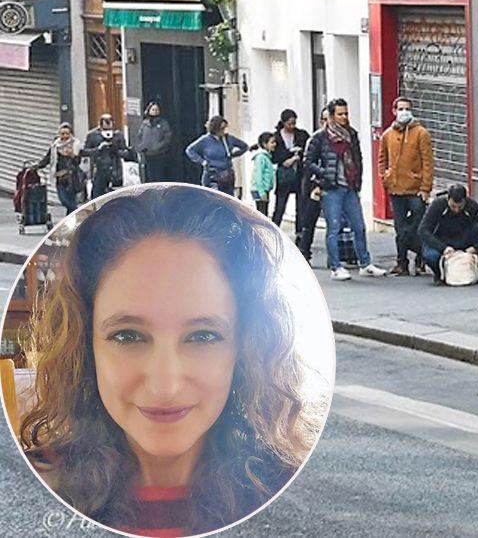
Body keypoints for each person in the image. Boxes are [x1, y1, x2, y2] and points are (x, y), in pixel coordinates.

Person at [18, 186, 321, 536]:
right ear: (86, 347)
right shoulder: (32, 487)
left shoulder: (291, 491)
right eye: (128, 336)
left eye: (203, 336)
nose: (166, 386)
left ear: (245, 347)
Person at [305, 99, 386, 281]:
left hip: (349, 187)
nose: (344, 117)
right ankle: (336, 266)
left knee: (359, 226)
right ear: (331, 115)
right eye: (340, 114)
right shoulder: (320, 137)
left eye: (346, 113)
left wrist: (357, 181)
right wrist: (324, 174)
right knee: (334, 227)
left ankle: (365, 263)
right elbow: (308, 161)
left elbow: (358, 159)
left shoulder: (351, 134)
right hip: (331, 188)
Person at [377, 96, 434, 277]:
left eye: (407, 108)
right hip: (396, 189)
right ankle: (401, 263)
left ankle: (420, 260)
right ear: (394, 111)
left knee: (419, 227)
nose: (404, 112)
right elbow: (382, 160)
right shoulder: (387, 135)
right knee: (400, 228)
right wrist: (385, 178)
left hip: (415, 190)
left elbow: (428, 162)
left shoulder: (421, 133)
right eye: (400, 109)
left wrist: (425, 188)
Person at [417, 184, 478, 285]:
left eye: (460, 207)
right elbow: (423, 230)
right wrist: (443, 248)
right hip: (441, 239)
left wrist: (476, 247)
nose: (456, 210)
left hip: (463, 239)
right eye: (453, 206)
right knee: (430, 256)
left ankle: (469, 269)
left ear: (465, 200)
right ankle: (438, 274)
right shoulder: (437, 205)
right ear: (448, 199)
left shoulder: (471, 205)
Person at [294, 110, 328, 262]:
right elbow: (308, 163)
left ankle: (343, 255)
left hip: (335, 184)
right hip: (315, 184)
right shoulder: (316, 139)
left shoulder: (344, 137)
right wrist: (320, 177)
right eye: (326, 119)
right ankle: (304, 251)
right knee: (310, 219)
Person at [185, 116, 250, 196]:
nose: (224, 131)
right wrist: (202, 161)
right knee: (214, 198)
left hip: (227, 174)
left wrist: (234, 154)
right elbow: (190, 150)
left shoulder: (228, 139)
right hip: (212, 174)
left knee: (228, 198)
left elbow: (244, 146)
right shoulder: (205, 140)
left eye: (225, 128)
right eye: (222, 128)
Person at [269, 109, 309, 229]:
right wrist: (289, 154)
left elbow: (308, 150)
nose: (292, 126)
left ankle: (300, 233)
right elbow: (274, 157)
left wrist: (297, 157)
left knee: (301, 206)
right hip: (284, 175)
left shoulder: (301, 135)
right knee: (280, 206)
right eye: (289, 123)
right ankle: (274, 230)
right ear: (283, 122)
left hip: (300, 173)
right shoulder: (276, 137)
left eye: (294, 123)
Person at [38, 123, 85, 215]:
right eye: (62, 134)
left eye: (67, 133)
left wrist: (72, 155)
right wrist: (38, 166)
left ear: (71, 134)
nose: (65, 136)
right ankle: (78, 214)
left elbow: (77, 162)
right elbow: (48, 158)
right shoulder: (55, 145)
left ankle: (72, 221)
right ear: (59, 134)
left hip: (72, 178)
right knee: (64, 200)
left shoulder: (75, 145)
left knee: (71, 201)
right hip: (59, 177)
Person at [83, 113, 133, 199]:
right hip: (99, 169)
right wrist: (98, 149)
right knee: (97, 196)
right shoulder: (93, 135)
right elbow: (84, 152)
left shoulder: (118, 135)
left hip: (115, 169)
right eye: (105, 122)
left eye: (109, 122)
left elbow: (126, 153)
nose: (107, 124)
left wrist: (116, 150)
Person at [134, 101, 176, 184]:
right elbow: (140, 135)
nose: (155, 111)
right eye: (153, 109)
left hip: (159, 154)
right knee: (149, 175)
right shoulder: (145, 123)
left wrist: (158, 146)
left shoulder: (163, 123)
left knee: (158, 175)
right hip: (147, 154)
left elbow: (168, 137)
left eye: (157, 110)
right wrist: (141, 146)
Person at [249, 132, 277, 216]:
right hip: (260, 189)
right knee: (262, 213)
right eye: (272, 142)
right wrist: (262, 192)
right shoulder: (261, 157)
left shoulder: (267, 156)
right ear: (264, 144)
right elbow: (258, 176)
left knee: (264, 212)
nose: (274, 144)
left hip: (264, 189)